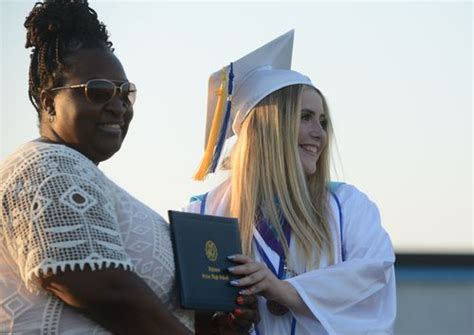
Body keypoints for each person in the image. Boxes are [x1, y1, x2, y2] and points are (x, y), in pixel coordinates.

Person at [0, 1, 256, 334]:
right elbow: (112, 295)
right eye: (99, 91)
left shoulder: (88, 177)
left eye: (125, 93)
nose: (118, 106)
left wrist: (216, 321)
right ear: (49, 102)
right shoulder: (46, 166)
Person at [186, 30, 396, 334]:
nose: (320, 134)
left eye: (322, 122)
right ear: (269, 127)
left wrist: (286, 291)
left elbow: (372, 275)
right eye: (306, 117)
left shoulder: (348, 207)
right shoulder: (203, 214)